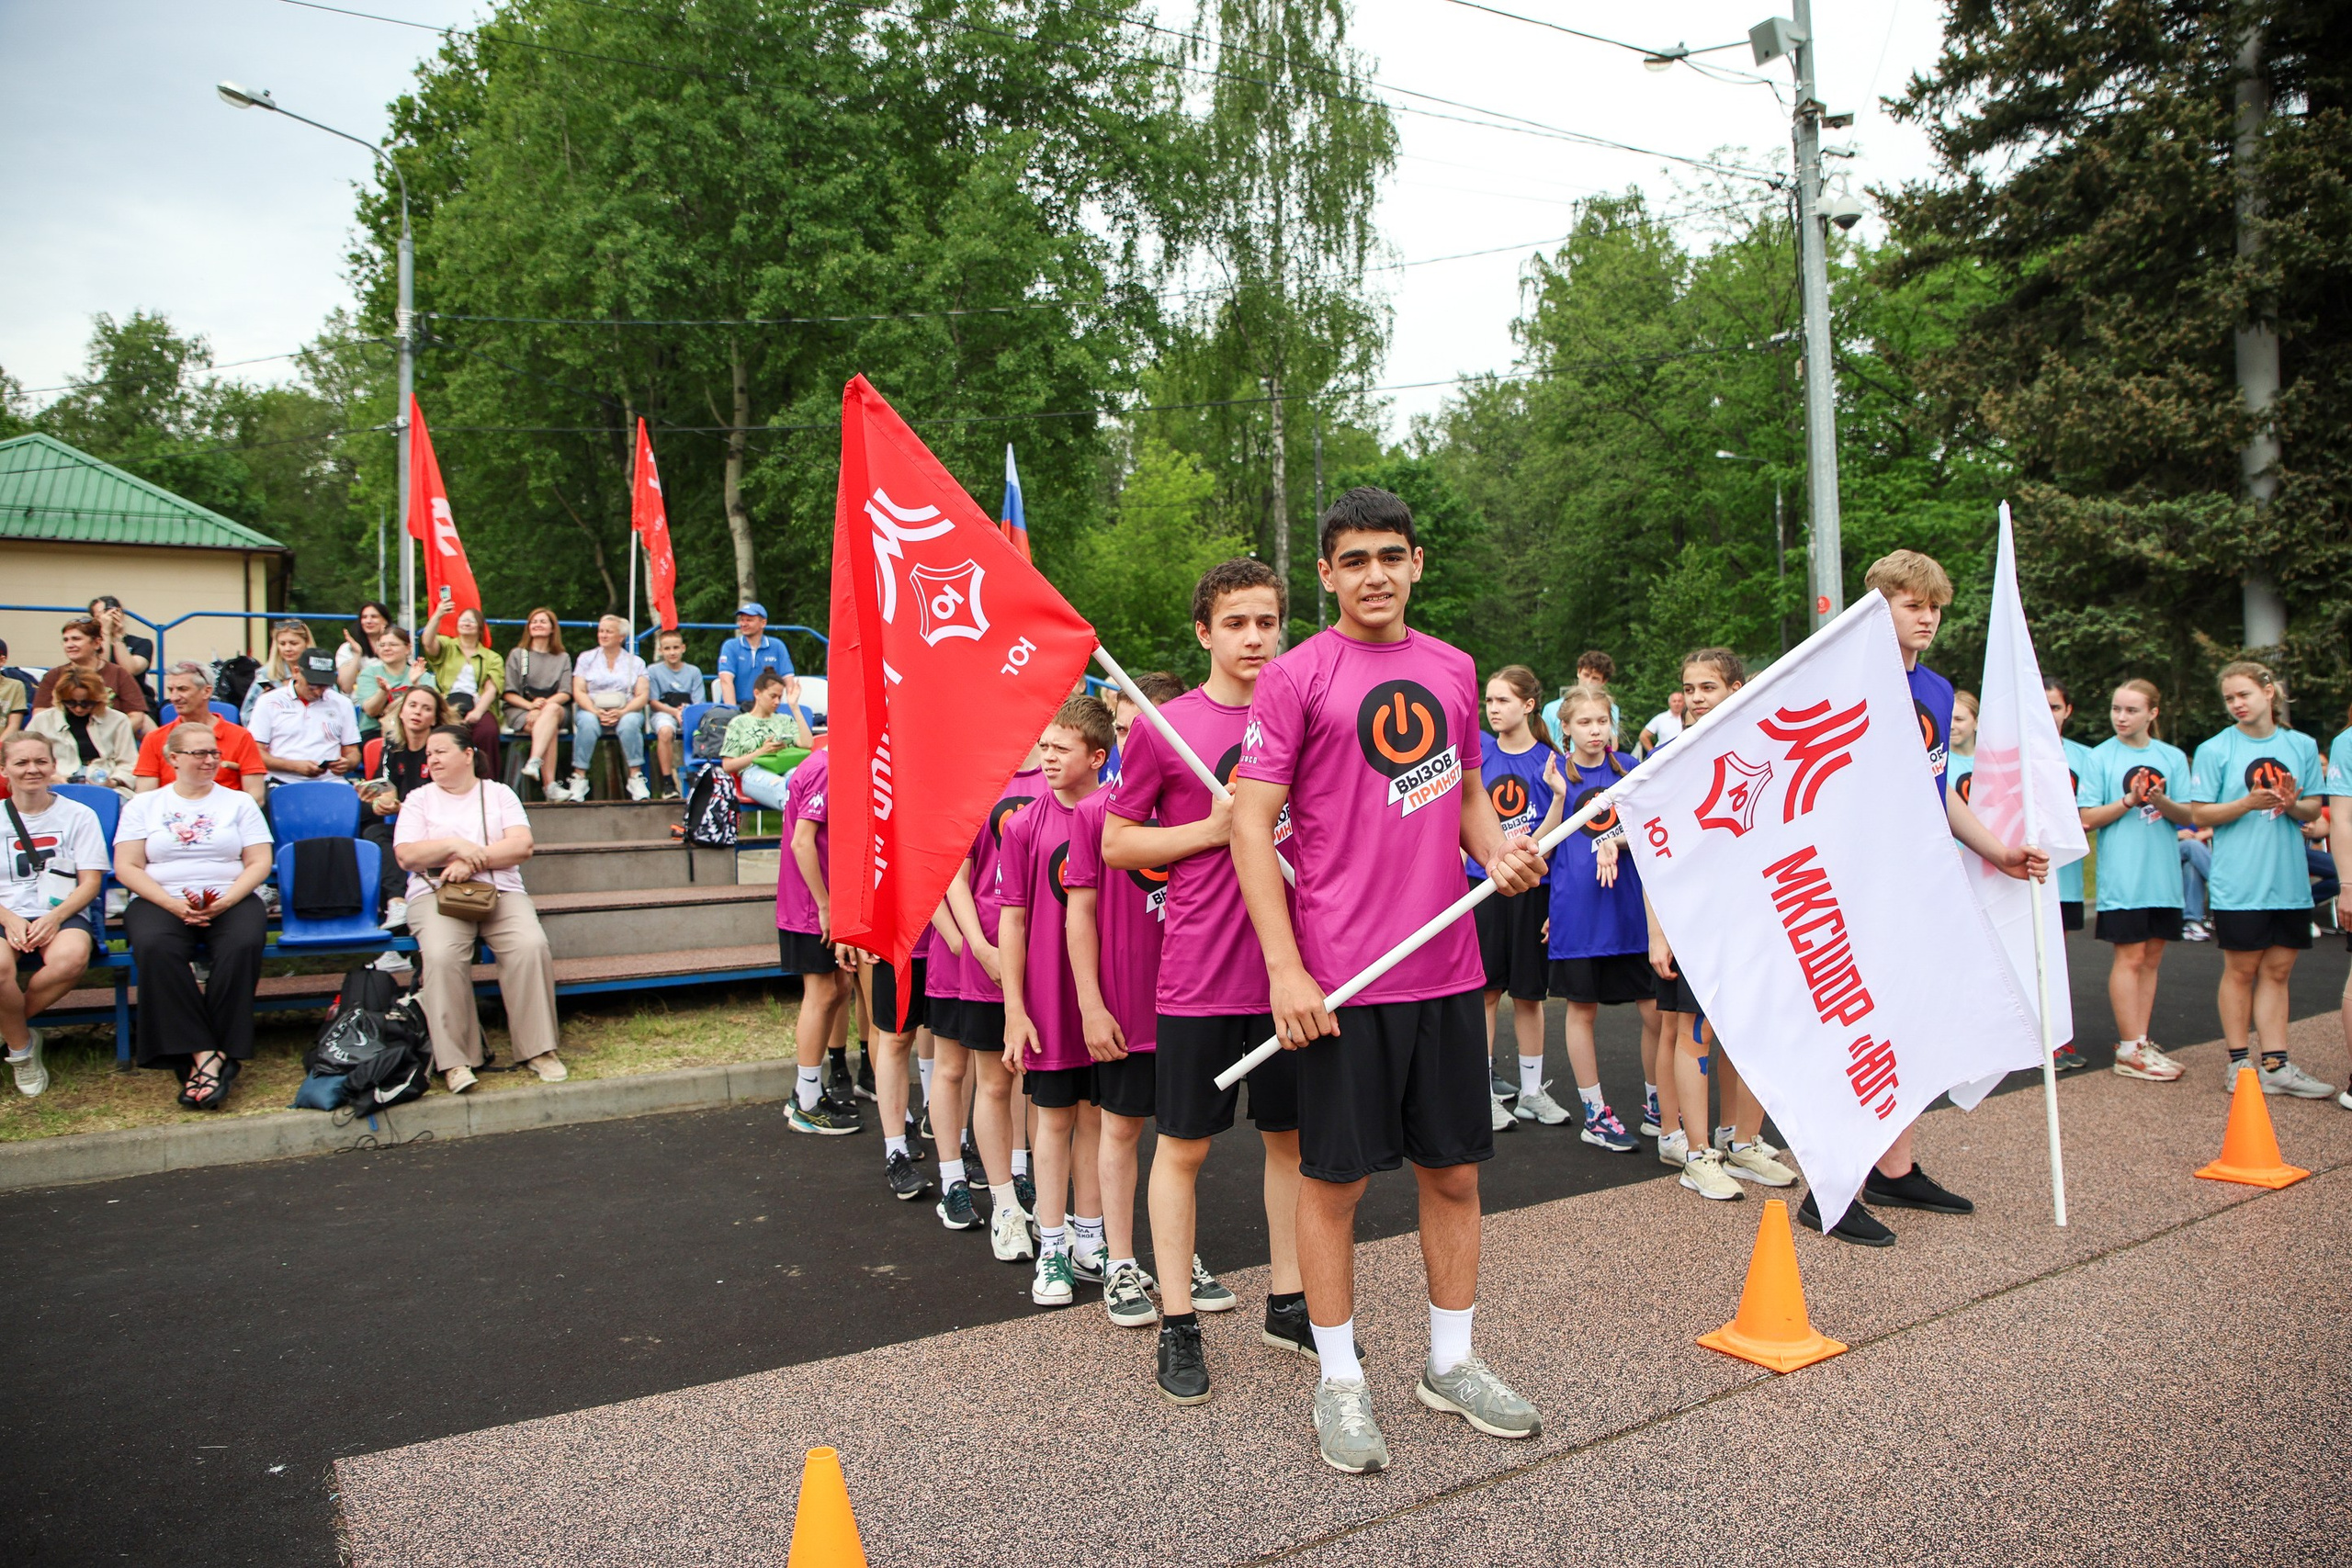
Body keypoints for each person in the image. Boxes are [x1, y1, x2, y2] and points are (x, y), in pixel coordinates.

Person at [1231, 487, 1547, 1475]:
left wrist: (1498, 852)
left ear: (1417, 563)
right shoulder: (1294, 676)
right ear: (1325, 573)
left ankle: (1448, 1365)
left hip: (1445, 972)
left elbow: (1456, 793)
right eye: (1354, 559)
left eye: (1391, 557)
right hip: (1339, 980)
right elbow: (1250, 823)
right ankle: (1339, 1381)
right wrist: (1285, 968)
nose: (1374, 574)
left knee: (1452, 1173)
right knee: (1334, 1185)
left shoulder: (1453, 670)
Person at [1794, 550, 2048, 1247]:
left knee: (1911, 1025)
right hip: (1854, 883)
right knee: (1858, 1032)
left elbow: (1937, 795)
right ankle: (1831, 1188)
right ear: (1879, 608)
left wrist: (1998, 849)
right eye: (1913, 604)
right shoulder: (1843, 683)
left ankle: (1892, 1168)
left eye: (1935, 605)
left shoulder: (1937, 689)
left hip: (1919, 881)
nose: (1928, 616)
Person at [1103, 558, 1305, 1403]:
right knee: (1182, 1147)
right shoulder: (1166, 725)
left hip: (1294, 973)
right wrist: (1213, 828)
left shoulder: (1307, 712)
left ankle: (1291, 1301)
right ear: (1204, 632)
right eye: (1236, 623)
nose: (1254, 637)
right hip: (1201, 975)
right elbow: (1117, 844)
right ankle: (1179, 1322)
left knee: (1291, 1142)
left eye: (1267, 621)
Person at [1642, 649, 1792, 1203]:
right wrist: (1658, 930)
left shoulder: (1763, 745)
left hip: (1756, 914)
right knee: (1693, 1032)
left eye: (1709, 686)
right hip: (1694, 920)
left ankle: (1743, 1142)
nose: (1697, 697)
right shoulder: (1670, 759)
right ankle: (1698, 1155)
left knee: (1750, 1031)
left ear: (1736, 688)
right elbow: (1651, 851)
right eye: (1690, 688)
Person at [1067, 672, 1182, 1328]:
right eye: (1130, 730)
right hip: (1124, 1008)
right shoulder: (1094, 814)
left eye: (1155, 728)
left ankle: (1177, 1256)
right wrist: (1091, 1004)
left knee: (1186, 1135)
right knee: (1120, 1127)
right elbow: (1077, 917)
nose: (1141, 741)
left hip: (1193, 1002)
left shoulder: (1207, 806)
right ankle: (1119, 1261)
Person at [1001, 695, 1118, 1308]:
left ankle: (1090, 1239)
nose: (1045, 756)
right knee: (1054, 1119)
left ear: (1097, 756)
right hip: (1047, 998)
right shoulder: (1023, 825)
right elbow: (1013, 921)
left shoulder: (1120, 815)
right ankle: (1050, 1242)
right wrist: (1014, 1008)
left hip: (1105, 997)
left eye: (1060, 747)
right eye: (1042, 746)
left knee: (1099, 1117)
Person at [2188, 661, 2333, 1098]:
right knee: (2241, 970)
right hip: (2240, 882)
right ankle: (2239, 1064)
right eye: (2230, 698)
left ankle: (2276, 1065)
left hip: (2288, 881)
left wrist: (2292, 804)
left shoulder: (2302, 744)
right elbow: (2200, 813)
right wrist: (2247, 803)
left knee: (2279, 970)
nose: (2236, 704)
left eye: (2244, 695)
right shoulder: (2216, 749)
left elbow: (2313, 810)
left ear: (2269, 692)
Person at [395, 724, 566, 1091]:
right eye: (428, 754)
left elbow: (522, 846)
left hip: (499, 890)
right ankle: (456, 1060)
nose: (433, 759)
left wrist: (472, 861)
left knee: (529, 945)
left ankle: (539, 1049)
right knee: (441, 956)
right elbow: (407, 855)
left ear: (468, 754)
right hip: (437, 894)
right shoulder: (418, 799)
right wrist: (456, 845)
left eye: (440, 751)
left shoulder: (499, 793)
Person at [113, 723, 274, 1110]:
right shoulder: (144, 805)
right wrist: (172, 905)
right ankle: (206, 1052)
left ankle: (213, 1053)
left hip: (229, 895)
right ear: (173, 759)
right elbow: (128, 867)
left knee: (243, 944)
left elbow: (258, 862)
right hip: (161, 896)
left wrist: (225, 901)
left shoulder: (238, 803)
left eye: (214, 753)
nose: (209, 760)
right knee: (154, 946)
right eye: (199, 753)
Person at [1543, 684, 1654, 1154]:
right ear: (1565, 728)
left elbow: (1654, 827)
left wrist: (1617, 841)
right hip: (1578, 915)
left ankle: (1658, 1105)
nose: (1595, 730)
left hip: (1631, 913)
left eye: (1602, 721)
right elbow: (1538, 844)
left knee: (1654, 1010)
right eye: (1584, 722)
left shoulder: (1630, 769)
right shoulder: (1552, 774)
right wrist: (1557, 798)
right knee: (1581, 1011)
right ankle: (1596, 1113)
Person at [948, 746, 1046, 1263]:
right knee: (994, 1080)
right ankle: (1004, 1206)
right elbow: (955, 877)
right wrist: (979, 947)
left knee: (1051, 1090)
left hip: (1053, 960)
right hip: (989, 955)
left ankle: (1056, 1215)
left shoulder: (1064, 765)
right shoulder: (976, 774)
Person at [2078, 679, 2193, 1082]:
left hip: (2162, 878)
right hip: (2123, 878)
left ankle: (2141, 1041)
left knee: (2152, 958)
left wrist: (2161, 801)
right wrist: (2129, 800)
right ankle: (2128, 1048)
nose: (2121, 717)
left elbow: (2188, 816)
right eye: (2116, 709)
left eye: (2130, 710)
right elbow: (2086, 817)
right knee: (2129, 957)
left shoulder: (2173, 757)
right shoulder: (2100, 758)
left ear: (2152, 713)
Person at [1471, 665, 1568, 1133]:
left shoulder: (1550, 762)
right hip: (1483, 885)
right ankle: (1483, 1092)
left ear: (1529, 705)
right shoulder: (1478, 754)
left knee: (1529, 994)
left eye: (1503, 700)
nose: (1493, 709)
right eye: (1488, 701)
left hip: (1531, 886)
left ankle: (1531, 1093)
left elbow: (1549, 842)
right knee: (1487, 991)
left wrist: (1555, 801)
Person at [2, 731, 108, 1097]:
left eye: (40, 761)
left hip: (62, 910)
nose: (32, 769)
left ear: (53, 765)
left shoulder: (79, 815)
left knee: (70, 958)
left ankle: (9, 1028)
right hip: (5, 913)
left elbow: (90, 883)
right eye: (21, 762)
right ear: (4, 769)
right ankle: (21, 1050)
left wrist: (54, 918)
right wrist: (10, 919)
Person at [776, 745, 861, 1135]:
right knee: (822, 993)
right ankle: (806, 1101)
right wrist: (826, 906)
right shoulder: (828, 767)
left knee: (839, 986)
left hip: (814, 902)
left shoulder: (826, 761)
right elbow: (801, 842)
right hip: (811, 907)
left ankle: (809, 1090)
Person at [360, 684, 450, 928]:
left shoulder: (441, 750)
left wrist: (401, 808)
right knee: (371, 829)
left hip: (441, 829)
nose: (417, 712)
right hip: (407, 828)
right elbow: (387, 787)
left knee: (392, 843)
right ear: (401, 712)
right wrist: (380, 802)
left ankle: (399, 924)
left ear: (435, 718)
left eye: (426, 708)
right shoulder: (392, 745)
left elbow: (446, 801)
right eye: (412, 705)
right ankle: (397, 904)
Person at [132, 663, 267, 806]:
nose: (174, 697)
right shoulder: (155, 739)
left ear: (206, 692)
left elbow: (256, 796)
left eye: (182, 689)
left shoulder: (240, 737)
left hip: (225, 819)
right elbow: (145, 798)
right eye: (170, 690)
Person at [555, 615, 651, 802]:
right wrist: (595, 711)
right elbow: (579, 690)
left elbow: (642, 695)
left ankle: (635, 776)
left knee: (630, 723)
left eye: (608, 631)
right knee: (588, 723)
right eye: (601, 631)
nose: (603, 634)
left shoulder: (636, 662)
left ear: (621, 637)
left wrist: (622, 712)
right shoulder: (586, 658)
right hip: (591, 709)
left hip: (626, 710)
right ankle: (579, 777)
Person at [249, 648, 361, 788]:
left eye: (325, 685)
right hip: (282, 781)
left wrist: (348, 763)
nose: (318, 691)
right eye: (312, 684)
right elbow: (254, 752)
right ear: (296, 672)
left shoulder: (342, 703)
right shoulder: (268, 701)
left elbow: (352, 750)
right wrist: (294, 766)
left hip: (331, 782)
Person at [419, 601, 504, 775]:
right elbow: (428, 642)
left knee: (488, 731)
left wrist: (478, 713)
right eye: (463, 619)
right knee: (442, 733)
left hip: (478, 704)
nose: (466, 623)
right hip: (448, 702)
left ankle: (486, 780)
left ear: (480, 627)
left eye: (472, 621)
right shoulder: (447, 646)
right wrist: (439, 614)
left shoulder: (492, 657)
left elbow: (491, 689)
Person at [34, 617, 153, 736]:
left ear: (97, 643)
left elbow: (136, 716)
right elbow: (39, 714)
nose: (69, 645)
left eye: (76, 639)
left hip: (111, 739)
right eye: (65, 640)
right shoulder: (53, 675)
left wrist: (111, 735)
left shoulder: (119, 673)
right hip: (63, 739)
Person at [28, 671, 139, 798]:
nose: (78, 709)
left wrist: (114, 781)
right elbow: (28, 757)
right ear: (60, 699)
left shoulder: (118, 720)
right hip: (56, 784)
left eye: (86, 703)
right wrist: (51, 778)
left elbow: (129, 761)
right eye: (71, 703)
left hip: (106, 784)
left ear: (99, 699)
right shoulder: (42, 720)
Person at [501, 607, 573, 792]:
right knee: (550, 728)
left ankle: (534, 761)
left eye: (542, 621)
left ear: (552, 628)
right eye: (534, 621)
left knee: (551, 714)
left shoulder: (562, 657)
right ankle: (549, 786)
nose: (537, 625)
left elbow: (566, 692)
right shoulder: (518, 655)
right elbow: (508, 693)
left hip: (553, 706)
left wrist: (542, 708)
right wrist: (531, 706)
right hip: (521, 707)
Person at [718, 670, 808, 812]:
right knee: (787, 793)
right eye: (773, 696)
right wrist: (760, 753)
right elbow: (727, 765)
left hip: (785, 767)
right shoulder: (739, 723)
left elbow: (807, 743)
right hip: (753, 771)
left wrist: (794, 707)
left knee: (809, 785)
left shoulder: (784, 720)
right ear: (757, 693)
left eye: (780, 697)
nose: (777, 702)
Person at [350, 626, 435, 740]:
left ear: (408, 648)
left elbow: (431, 707)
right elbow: (371, 711)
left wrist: (415, 684)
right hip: (376, 731)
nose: (386, 648)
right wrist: (383, 692)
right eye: (382, 645)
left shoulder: (421, 675)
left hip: (416, 731)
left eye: (393, 645)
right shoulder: (369, 673)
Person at [646, 630, 707, 791]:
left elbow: (699, 701)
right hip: (664, 712)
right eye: (667, 648)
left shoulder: (694, 672)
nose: (672, 652)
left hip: (689, 711)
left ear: (683, 648)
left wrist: (686, 711)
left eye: (675, 647)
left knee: (703, 729)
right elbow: (653, 701)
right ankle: (668, 782)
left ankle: (701, 776)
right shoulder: (653, 671)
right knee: (665, 731)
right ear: (660, 651)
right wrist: (674, 712)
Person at [715, 602, 792, 707]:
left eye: (749, 620)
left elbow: (789, 681)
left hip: (768, 709)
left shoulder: (777, 646)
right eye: (742, 620)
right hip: (739, 707)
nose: (743, 624)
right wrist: (732, 712)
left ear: (763, 623)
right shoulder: (730, 646)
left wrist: (789, 710)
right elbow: (726, 681)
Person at [238, 619, 315, 724]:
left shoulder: (319, 671)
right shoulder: (265, 674)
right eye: (282, 644)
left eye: (294, 643)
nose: (287, 648)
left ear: (306, 643)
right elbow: (246, 713)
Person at [1541, 650, 1620, 748]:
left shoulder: (1611, 708)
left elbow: (1612, 743)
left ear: (1604, 681)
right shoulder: (1551, 709)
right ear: (1578, 672)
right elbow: (1544, 744)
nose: (1588, 682)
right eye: (1586, 675)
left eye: (1595, 678)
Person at [87, 595, 154, 703]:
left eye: (114, 612)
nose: (110, 617)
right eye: (102, 614)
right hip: (101, 699)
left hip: (136, 700)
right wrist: (105, 633)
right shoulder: (90, 644)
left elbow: (130, 670)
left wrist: (118, 636)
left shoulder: (142, 643)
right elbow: (101, 669)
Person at [335, 601, 394, 686]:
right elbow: (345, 687)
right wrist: (357, 654)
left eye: (374, 617)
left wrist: (383, 646)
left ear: (386, 621)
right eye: (364, 617)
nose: (368, 621)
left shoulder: (397, 647)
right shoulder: (347, 648)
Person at [1946, 690, 1979, 803]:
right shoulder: (1938, 761)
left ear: (1977, 722)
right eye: (1948, 718)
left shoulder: (1991, 762)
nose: (1951, 726)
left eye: (1959, 720)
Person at [1634, 690, 1684, 757]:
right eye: (1674, 701)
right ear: (1669, 703)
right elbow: (1643, 736)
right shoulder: (1660, 718)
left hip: (1684, 756)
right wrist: (1653, 752)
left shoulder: (1689, 718)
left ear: (1684, 703)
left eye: (1679, 701)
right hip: (1664, 757)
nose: (1677, 704)